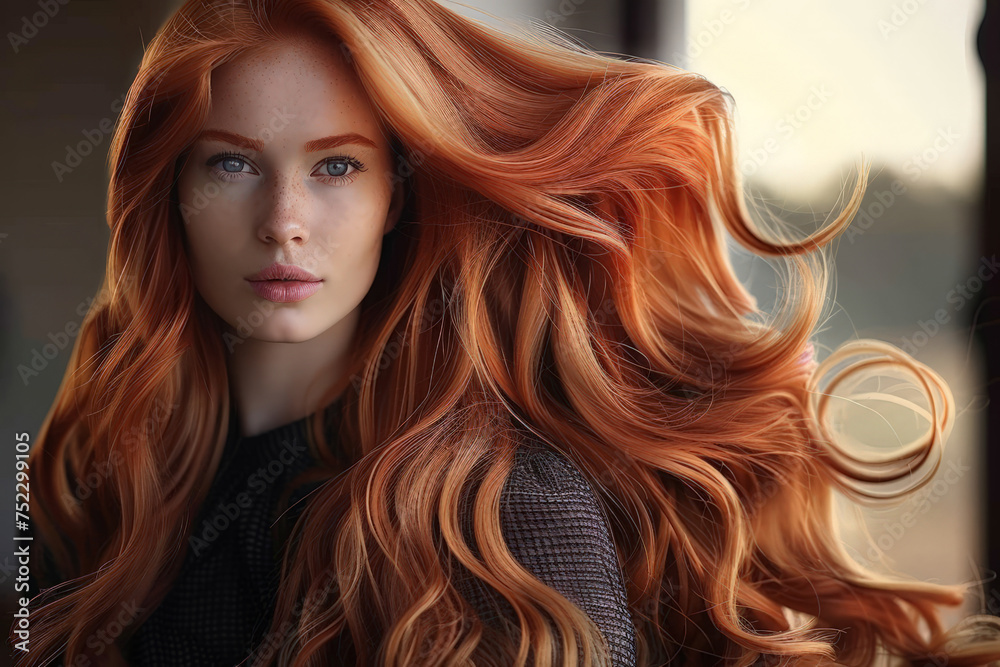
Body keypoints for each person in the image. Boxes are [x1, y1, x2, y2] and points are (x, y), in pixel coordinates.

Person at [13, 0, 1000, 665]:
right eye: (230, 165)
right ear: (167, 194)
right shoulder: (97, 487)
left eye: (337, 166)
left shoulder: (505, 510)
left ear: (401, 194)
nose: (283, 219)